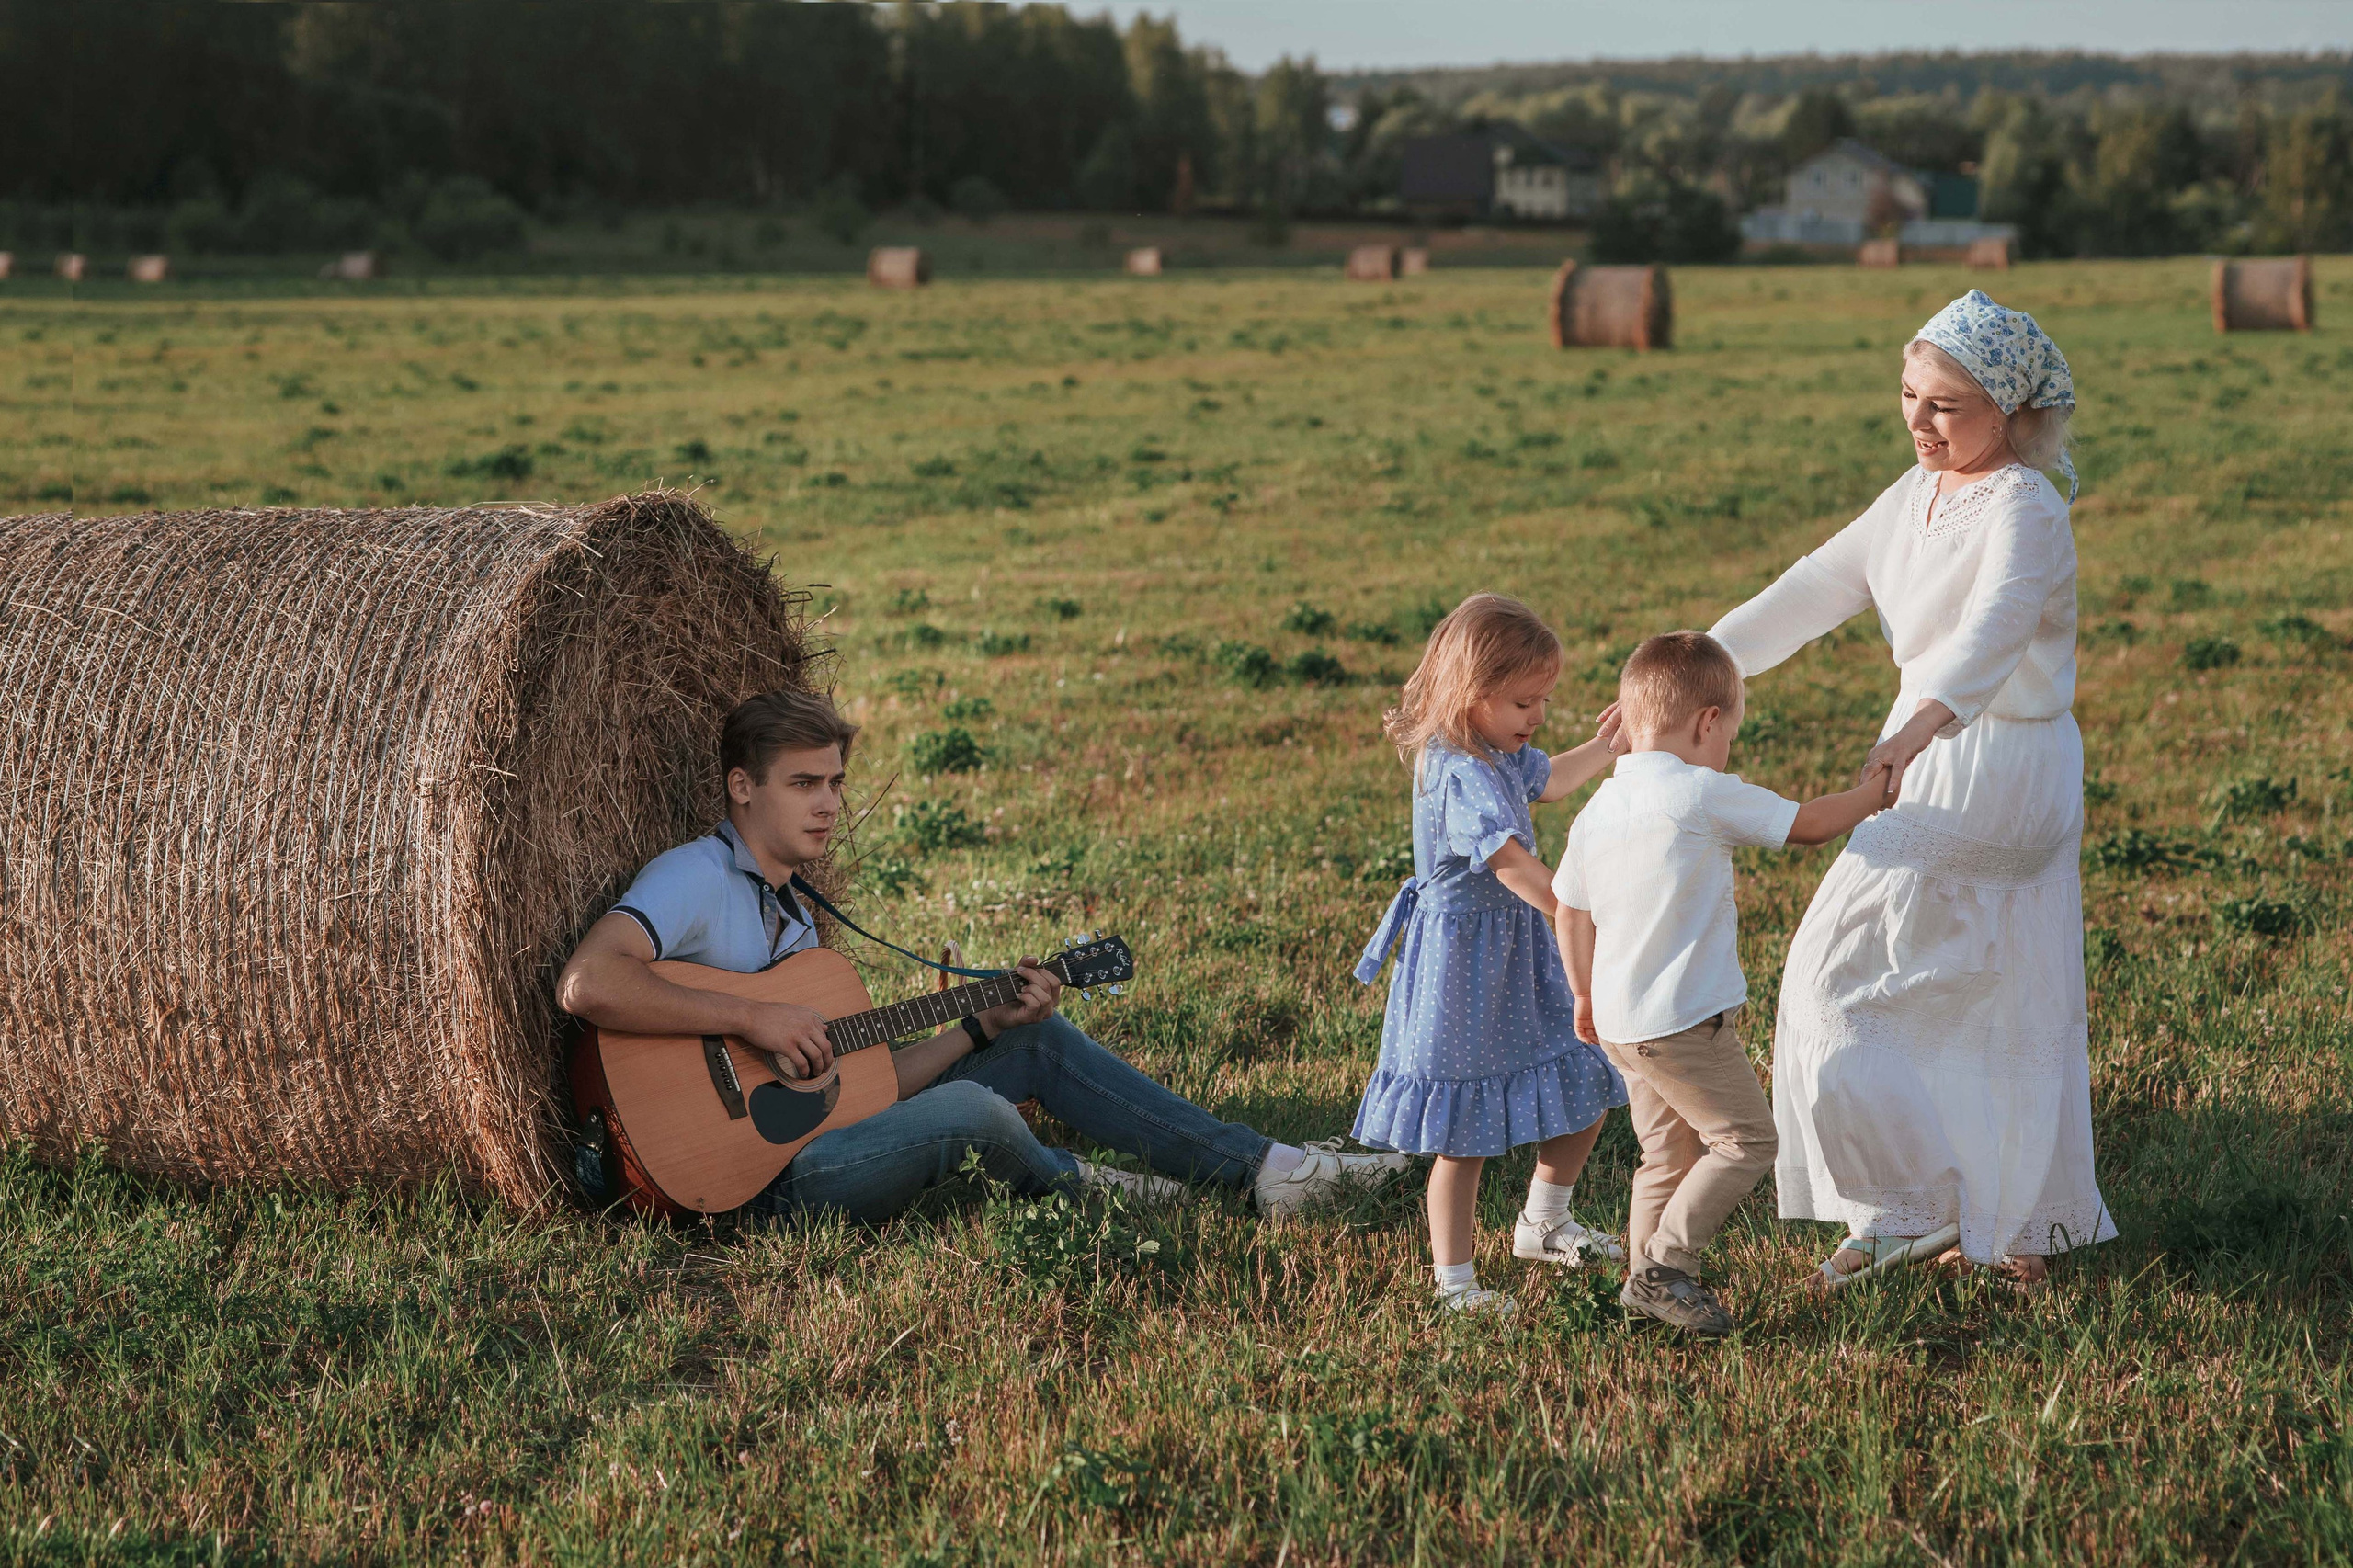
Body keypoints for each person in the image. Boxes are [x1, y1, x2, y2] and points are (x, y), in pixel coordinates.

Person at [557, 687, 1410, 1224]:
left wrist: (978, 1021)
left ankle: (1271, 1172)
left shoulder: (793, 919)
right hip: (753, 1188)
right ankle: (1104, 1190)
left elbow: (863, 1088)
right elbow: (590, 982)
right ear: (743, 787)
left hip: (809, 1144)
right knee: (974, 1118)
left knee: (1029, 1041)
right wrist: (752, 1014)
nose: (827, 807)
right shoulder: (697, 877)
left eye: (837, 784)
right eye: (803, 784)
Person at [1707, 289, 2115, 1291]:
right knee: (1948, 986)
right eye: (1907, 395)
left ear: (2013, 416)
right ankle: (1975, 1215)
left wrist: (1915, 725)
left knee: (1846, 981)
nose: (1918, 420)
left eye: (1945, 405)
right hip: (1932, 749)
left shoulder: (2026, 503)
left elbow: (1995, 626)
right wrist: (1685, 668)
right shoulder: (1912, 493)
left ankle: (1924, 1211)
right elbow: (1807, 589)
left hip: (1996, 761)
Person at [1553, 631, 1892, 1335]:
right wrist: (1874, 793)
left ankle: (1638, 1289)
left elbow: (1570, 909)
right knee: (1745, 1141)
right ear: (1709, 722)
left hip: (1619, 1022)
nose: (1727, 748)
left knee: (1665, 1155)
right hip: (1683, 1024)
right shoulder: (1699, 792)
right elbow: (1807, 825)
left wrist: (1582, 993)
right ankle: (1668, 1266)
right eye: (1729, 734)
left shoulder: (1599, 809)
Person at [1351, 593, 1631, 1317]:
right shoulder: (1459, 772)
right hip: (1465, 971)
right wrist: (1579, 911)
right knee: (1462, 1138)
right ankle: (1454, 1286)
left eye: (1543, 700)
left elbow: (1556, 777)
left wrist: (1612, 745)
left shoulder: (1495, 752)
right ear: (1472, 697)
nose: (1537, 717)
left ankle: (1544, 1220)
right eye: (1524, 703)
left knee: (1587, 1080)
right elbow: (1510, 867)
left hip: (1514, 954)